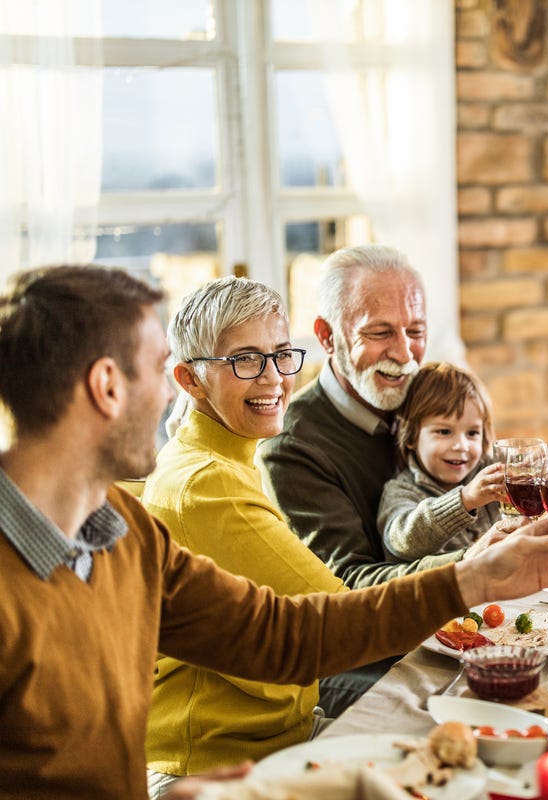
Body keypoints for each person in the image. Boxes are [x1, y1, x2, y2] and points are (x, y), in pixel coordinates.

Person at [0, 265, 548, 800]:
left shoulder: (122, 531)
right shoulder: (188, 488)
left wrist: (470, 578)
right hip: (212, 759)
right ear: (108, 386)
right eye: (159, 369)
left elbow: (284, 633)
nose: (169, 395)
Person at [257, 244, 487, 714]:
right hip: (354, 661)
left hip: (448, 628)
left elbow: (482, 456)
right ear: (326, 336)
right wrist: (474, 568)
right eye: (380, 333)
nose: (404, 355)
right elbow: (348, 587)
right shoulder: (292, 447)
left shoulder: (418, 398)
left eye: (416, 331)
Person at [142, 277, 344, 795]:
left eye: (281, 354)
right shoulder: (205, 482)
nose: (274, 378)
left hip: (280, 738)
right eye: (246, 360)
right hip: (214, 767)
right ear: (190, 379)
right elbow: (342, 614)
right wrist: (473, 580)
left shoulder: (229, 456)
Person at [378, 361, 507, 562]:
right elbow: (401, 541)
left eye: (472, 433)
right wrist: (464, 500)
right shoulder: (402, 490)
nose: (461, 446)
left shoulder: (490, 472)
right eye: (444, 432)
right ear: (411, 437)